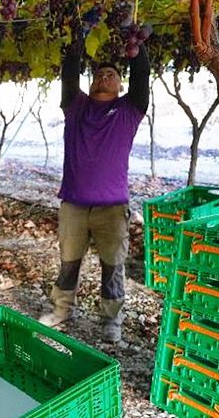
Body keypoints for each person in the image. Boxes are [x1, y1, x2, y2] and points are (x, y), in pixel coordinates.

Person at [38, 27, 150, 343]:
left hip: (113, 208)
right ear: (90, 83)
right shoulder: (76, 107)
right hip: (73, 204)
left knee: (112, 267)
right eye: (99, 74)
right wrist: (78, 36)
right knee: (68, 261)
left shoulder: (129, 110)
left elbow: (142, 77)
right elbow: (69, 74)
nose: (104, 77)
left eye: (111, 74)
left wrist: (136, 45)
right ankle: (62, 310)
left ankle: (112, 321)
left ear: (120, 84)